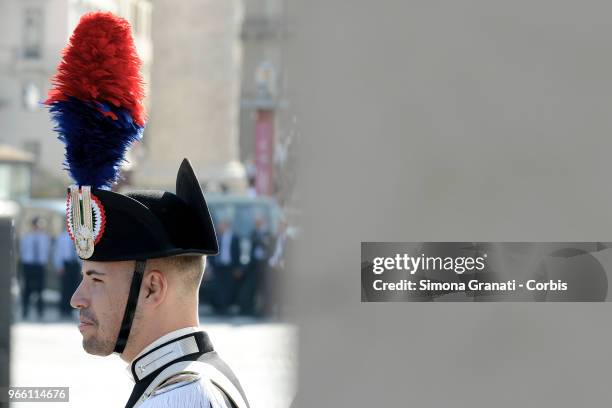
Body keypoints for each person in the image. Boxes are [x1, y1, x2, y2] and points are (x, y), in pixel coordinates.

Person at [46, 12, 249, 408]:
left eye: (96, 278)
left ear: (154, 287)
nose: (77, 297)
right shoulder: (180, 383)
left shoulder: (181, 395)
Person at [238, 215, 272, 316]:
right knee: (251, 287)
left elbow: (270, 247)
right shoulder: (253, 233)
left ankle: (265, 309)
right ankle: (251, 308)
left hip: (265, 264)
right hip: (254, 264)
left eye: (258, 222)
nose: (256, 224)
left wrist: (263, 241)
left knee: (264, 288)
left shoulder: (268, 234)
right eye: (256, 222)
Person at [19, 217, 51, 319]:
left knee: (40, 289)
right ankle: (25, 311)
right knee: (27, 289)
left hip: (40, 265)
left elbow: (47, 251)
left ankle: (40, 311)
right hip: (28, 265)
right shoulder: (27, 237)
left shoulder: (45, 237)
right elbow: (22, 250)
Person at [209, 220, 242, 314]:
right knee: (218, 287)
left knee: (228, 287)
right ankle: (220, 307)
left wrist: (237, 267)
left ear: (226, 226)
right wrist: (211, 265)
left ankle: (226, 307)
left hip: (229, 267)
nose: (219, 226)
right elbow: (212, 252)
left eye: (221, 225)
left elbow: (237, 253)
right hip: (218, 266)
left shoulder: (234, 237)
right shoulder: (217, 236)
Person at [53, 226, 81, 317]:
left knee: (75, 287)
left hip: (76, 264)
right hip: (66, 265)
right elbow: (58, 252)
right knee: (65, 287)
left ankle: (72, 309)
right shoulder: (62, 237)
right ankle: (64, 309)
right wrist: (59, 266)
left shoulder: (80, 235)